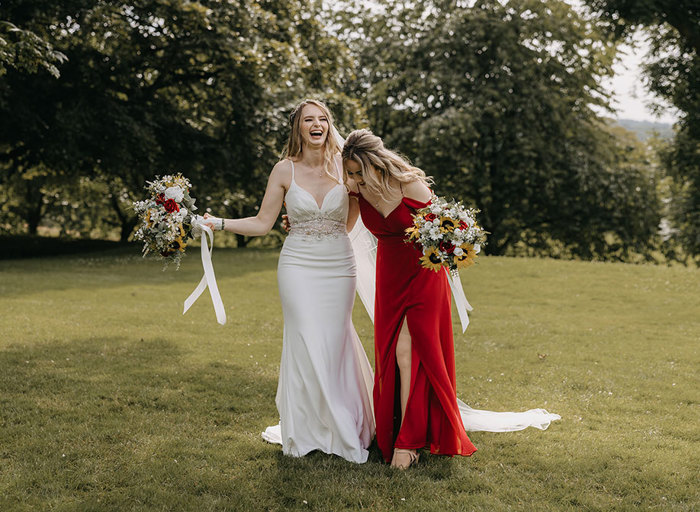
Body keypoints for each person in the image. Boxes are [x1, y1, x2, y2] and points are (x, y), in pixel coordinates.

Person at [203, 100, 375, 463]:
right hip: (296, 265)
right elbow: (263, 222)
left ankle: (341, 424)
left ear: (330, 126)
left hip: (338, 266)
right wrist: (218, 223)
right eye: (308, 120)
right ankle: (305, 427)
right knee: (304, 340)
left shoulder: (346, 169)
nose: (317, 124)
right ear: (298, 128)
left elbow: (350, 223)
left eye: (323, 119)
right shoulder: (284, 170)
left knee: (334, 341)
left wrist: (319, 228)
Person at [342, 129, 478, 469]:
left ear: (377, 164)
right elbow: (341, 228)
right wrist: (300, 225)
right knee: (392, 352)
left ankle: (408, 440)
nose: (356, 179)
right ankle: (398, 431)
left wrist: (453, 244)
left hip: (423, 274)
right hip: (390, 277)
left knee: (409, 352)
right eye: (351, 173)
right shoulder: (355, 191)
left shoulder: (410, 185)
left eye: (361, 172)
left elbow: (445, 229)